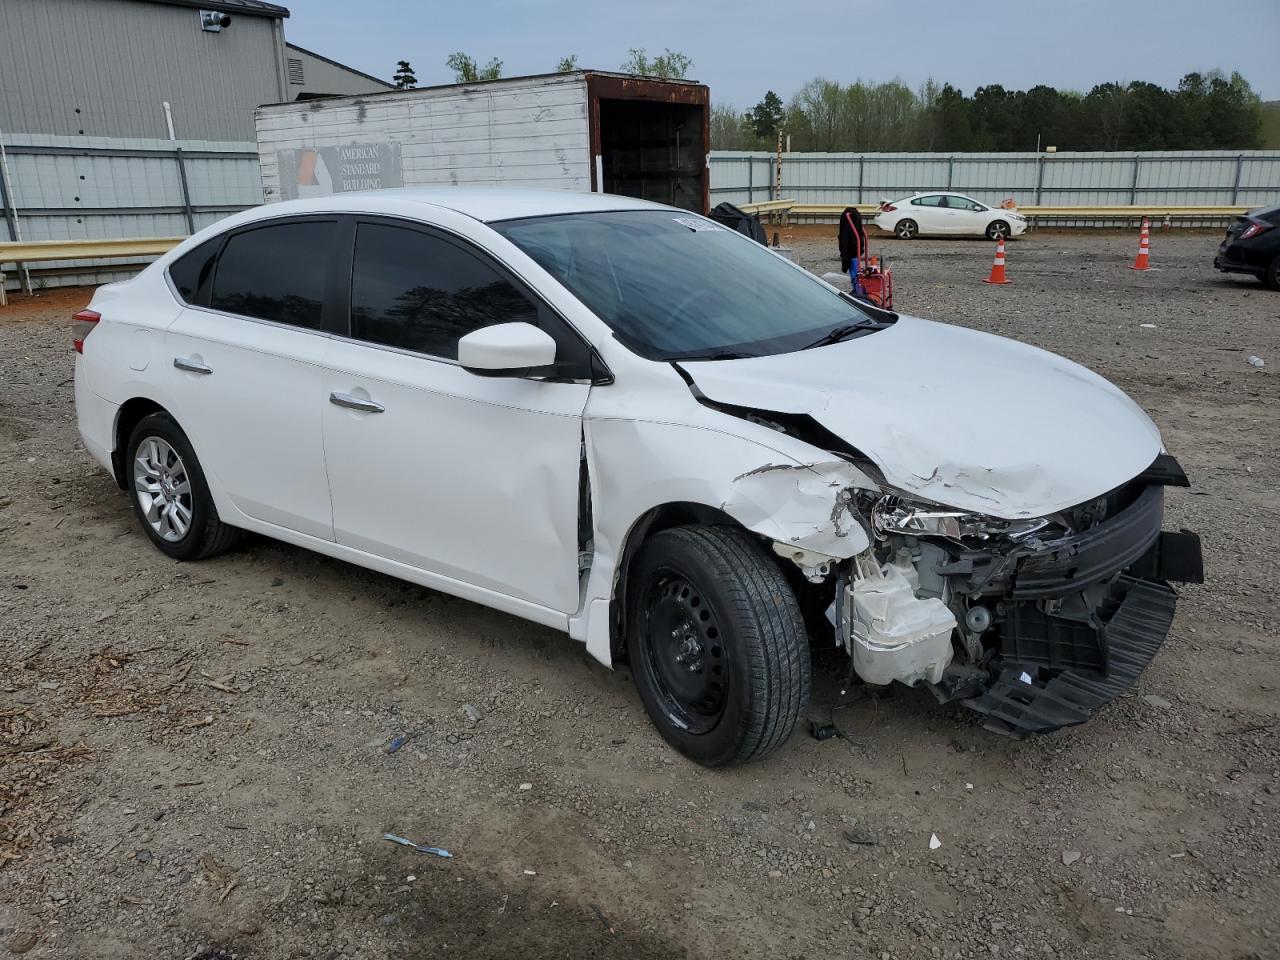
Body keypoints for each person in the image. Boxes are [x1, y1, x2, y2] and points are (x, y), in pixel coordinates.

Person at [838, 206, 868, 295]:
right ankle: (859, 291)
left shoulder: (848, 218)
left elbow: (844, 238)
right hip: (854, 252)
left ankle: (859, 292)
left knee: (856, 272)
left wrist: (844, 254)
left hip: (852, 253)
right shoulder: (853, 219)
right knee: (856, 270)